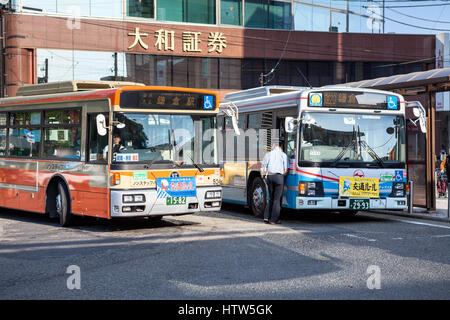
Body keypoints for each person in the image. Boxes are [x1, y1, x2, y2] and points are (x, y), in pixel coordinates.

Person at [261, 141, 289, 225]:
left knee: (271, 198)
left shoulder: (268, 154)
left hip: (270, 177)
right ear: (279, 146)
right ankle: (273, 220)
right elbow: (285, 170)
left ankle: (266, 217)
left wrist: (263, 177)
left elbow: (263, 167)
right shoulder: (284, 155)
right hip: (279, 177)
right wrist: (281, 176)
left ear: (273, 146)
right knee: (277, 199)